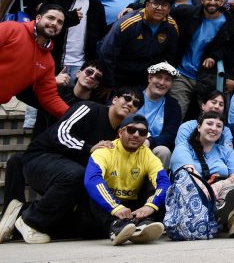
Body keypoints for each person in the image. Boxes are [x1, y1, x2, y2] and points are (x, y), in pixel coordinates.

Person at [4, 88, 140, 244]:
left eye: (135, 103)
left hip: (68, 176)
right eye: (127, 98)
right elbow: (60, 133)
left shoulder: (120, 134)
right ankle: (30, 219)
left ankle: (18, 216)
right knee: (78, 174)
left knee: (88, 226)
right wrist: (88, 148)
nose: (130, 103)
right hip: (40, 158)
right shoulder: (89, 108)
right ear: (115, 99)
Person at [83, 113, 171, 245]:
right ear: (120, 132)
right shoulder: (104, 150)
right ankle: (117, 227)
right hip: (105, 210)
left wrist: (150, 206)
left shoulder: (147, 154)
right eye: (131, 130)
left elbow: (164, 183)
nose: (136, 135)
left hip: (132, 208)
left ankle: (141, 224)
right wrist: (115, 207)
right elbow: (92, 179)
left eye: (142, 132)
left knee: (162, 191)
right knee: (94, 189)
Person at [170, 111, 234, 236]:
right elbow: (189, 170)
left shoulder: (227, 152)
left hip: (218, 191)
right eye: (210, 124)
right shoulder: (183, 147)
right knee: (186, 180)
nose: (214, 128)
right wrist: (204, 187)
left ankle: (226, 214)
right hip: (193, 190)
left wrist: (219, 184)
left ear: (222, 131)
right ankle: (226, 218)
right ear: (199, 127)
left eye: (218, 126)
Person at [169, 0, 234, 117]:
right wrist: (133, 8)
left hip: (208, 78)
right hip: (181, 74)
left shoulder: (230, 26)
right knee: (174, 116)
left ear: (223, 1)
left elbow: (231, 54)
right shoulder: (187, 13)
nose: (212, 2)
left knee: (209, 120)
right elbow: (163, 11)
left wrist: (214, 56)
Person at [97, 0, 180, 88]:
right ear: (147, 4)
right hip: (118, 77)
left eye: (164, 5)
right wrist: (108, 83)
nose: (159, 8)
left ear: (169, 9)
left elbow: (170, 57)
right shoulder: (128, 22)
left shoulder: (171, 26)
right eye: (155, 3)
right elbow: (106, 53)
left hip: (146, 79)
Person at [0, 5, 70, 120]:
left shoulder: (48, 63)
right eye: (50, 18)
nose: (54, 23)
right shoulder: (11, 29)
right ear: (38, 18)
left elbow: (50, 98)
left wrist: (75, 115)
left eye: (59, 22)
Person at [42, 0, 108, 79]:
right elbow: (41, 23)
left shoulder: (97, 6)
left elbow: (101, 33)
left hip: (81, 66)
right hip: (52, 61)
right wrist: (68, 17)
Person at [136, 62, 182, 167]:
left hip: (151, 148)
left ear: (171, 84)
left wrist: (149, 142)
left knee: (163, 151)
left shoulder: (173, 106)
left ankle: (157, 183)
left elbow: (170, 135)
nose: (162, 82)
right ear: (150, 78)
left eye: (167, 79)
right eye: (159, 77)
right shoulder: (134, 94)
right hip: (127, 140)